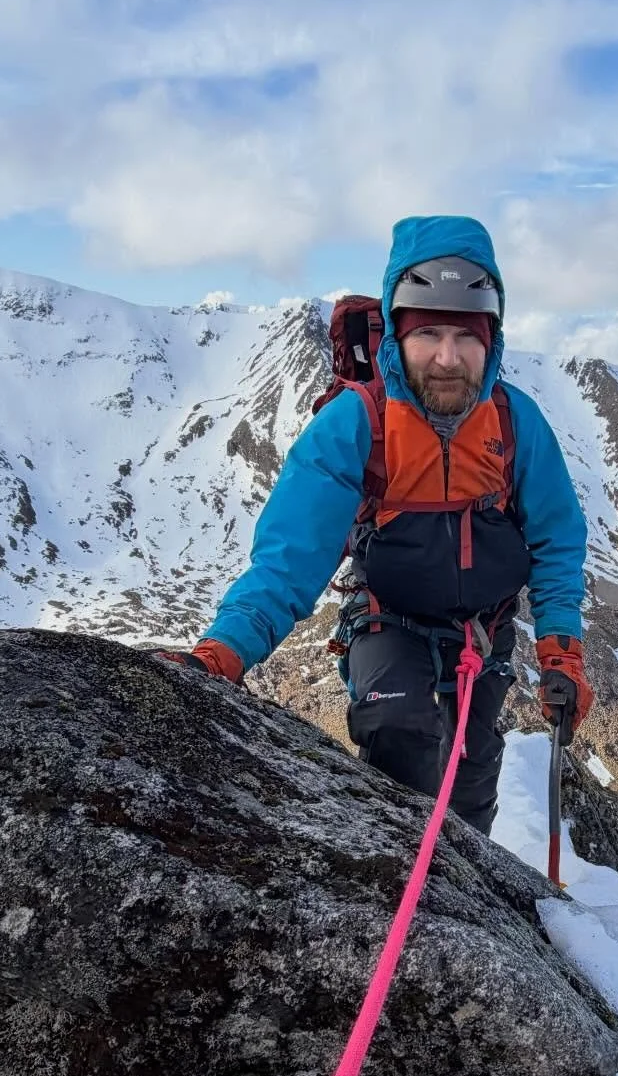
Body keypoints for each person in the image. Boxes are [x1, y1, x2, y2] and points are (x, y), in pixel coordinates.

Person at [171, 214, 593, 835]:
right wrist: (222, 654)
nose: (447, 358)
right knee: (398, 740)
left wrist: (561, 650)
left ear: (492, 341)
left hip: (484, 631)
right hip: (388, 620)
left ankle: (471, 907)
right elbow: (291, 559)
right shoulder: (357, 424)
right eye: (428, 334)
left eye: (466, 336)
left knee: (470, 786)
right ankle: (403, 889)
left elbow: (557, 539)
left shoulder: (514, 422)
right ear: (397, 335)